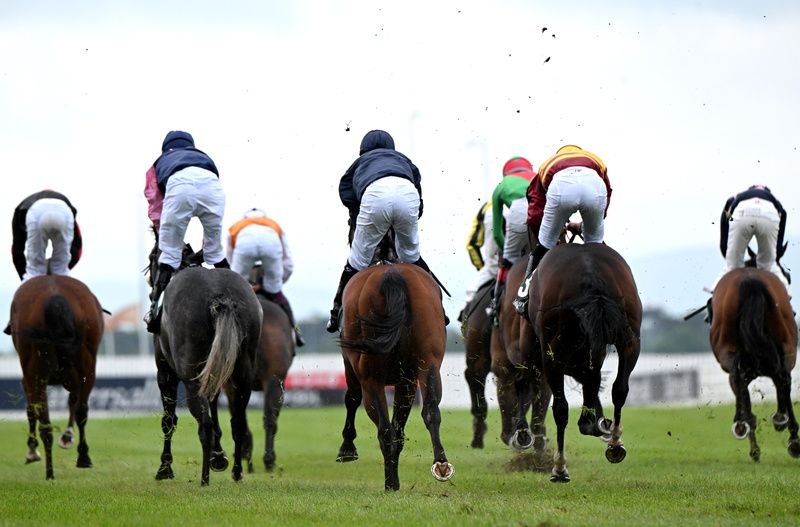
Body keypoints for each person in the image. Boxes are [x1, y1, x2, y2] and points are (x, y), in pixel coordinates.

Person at [326, 129, 445, 333]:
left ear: (362, 151)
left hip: (374, 196)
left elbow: (345, 192)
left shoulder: (359, 164)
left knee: (357, 261)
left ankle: (336, 313)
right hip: (407, 194)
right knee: (411, 256)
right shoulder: (403, 160)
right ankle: (439, 310)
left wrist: (359, 218)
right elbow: (419, 199)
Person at [144, 130, 229, 333]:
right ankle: (240, 300)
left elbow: (155, 205)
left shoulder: (159, 163)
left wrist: (163, 235)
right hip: (213, 189)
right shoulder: (203, 156)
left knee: (169, 253)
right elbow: (211, 186)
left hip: (179, 187)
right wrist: (206, 246)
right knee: (215, 251)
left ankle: (154, 310)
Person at [513, 145, 612, 315]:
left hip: (561, 187)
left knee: (544, 245)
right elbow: (606, 194)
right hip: (595, 186)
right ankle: (610, 289)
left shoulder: (547, 164)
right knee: (596, 245)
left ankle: (523, 295)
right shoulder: (594, 159)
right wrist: (585, 226)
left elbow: (535, 212)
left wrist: (549, 235)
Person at [5, 190, 83, 335]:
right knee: (62, 270)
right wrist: (57, 272)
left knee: (34, 271)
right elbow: (77, 249)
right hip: (65, 212)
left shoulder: (19, 212)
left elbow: (17, 252)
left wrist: (26, 277)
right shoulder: (70, 211)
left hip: (35, 213)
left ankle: (14, 320)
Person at [227, 208, 305, 347]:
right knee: (278, 292)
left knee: (234, 287)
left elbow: (228, 265)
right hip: (271, 245)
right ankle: (296, 331)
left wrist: (242, 286)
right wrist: (275, 286)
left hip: (244, 246)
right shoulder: (273, 225)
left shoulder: (236, 227)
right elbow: (288, 264)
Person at [486, 157, 537, 326]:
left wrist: (509, 251)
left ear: (506, 173)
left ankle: (495, 307)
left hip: (519, 211)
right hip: (544, 206)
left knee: (509, 258)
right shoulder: (537, 175)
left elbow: (497, 235)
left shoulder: (501, 186)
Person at [713, 184, 790, 293]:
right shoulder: (774, 200)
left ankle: (715, 291)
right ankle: (786, 294)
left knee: (733, 267)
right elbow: (782, 219)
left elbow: (725, 222)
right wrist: (775, 255)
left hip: (742, 214)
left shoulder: (736, 197)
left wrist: (728, 255)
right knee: (768, 266)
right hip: (769, 215)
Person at [459, 199, 499, 323]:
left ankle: (465, 319)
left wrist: (483, 268)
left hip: (493, 213)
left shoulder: (489, 205)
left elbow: (472, 245)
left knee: (492, 269)